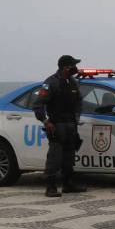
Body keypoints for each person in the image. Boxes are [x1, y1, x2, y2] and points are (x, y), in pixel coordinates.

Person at [33, 55, 86, 198]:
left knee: (69, 156)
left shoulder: (73, 82)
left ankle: (68, 184)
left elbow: (79, 101)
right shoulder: (51, 83)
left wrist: (76, 118)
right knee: (55, 157)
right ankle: (50, 187)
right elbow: (38, 105)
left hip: (71, 125)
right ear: (66, 67)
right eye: (73, 65)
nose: (76, 68)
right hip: (56, 125)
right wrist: (45, 121)